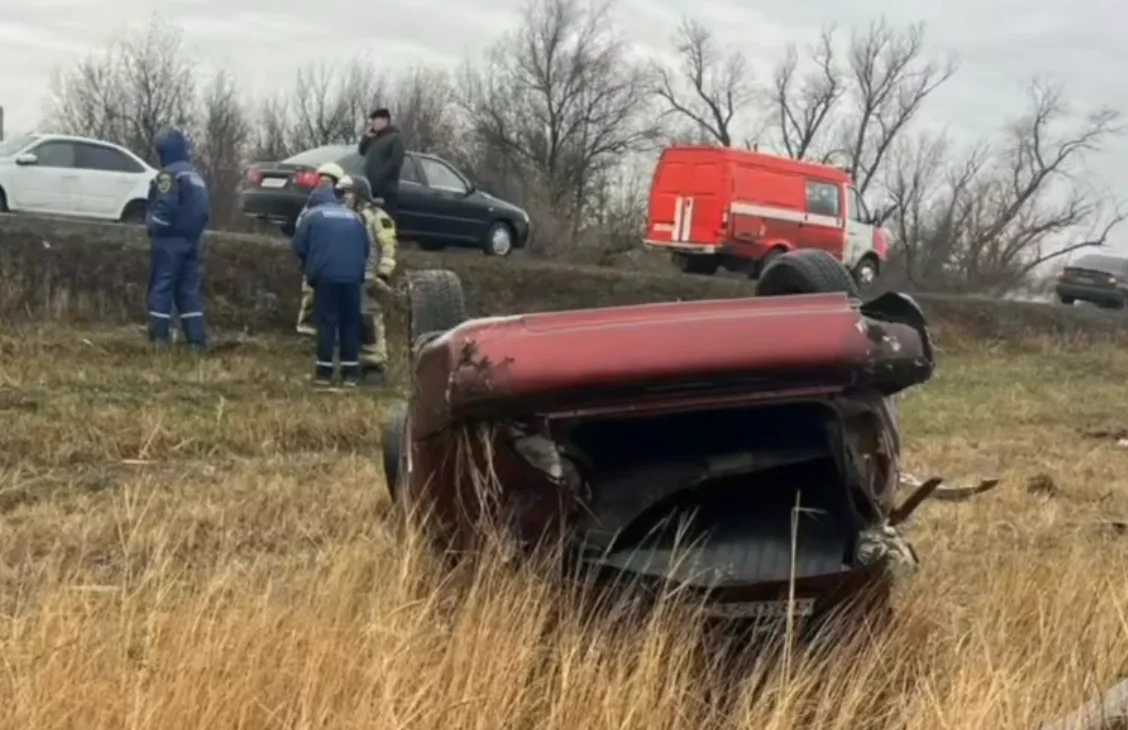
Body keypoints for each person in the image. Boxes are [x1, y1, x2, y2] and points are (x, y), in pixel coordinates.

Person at [290, 184, 370, 387]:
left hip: (325, 277)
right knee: (350, 323)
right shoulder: (354, 216)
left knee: (326, 323)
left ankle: (324, 373)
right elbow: (366, 248)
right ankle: (350, 374)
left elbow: (298, 247)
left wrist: (309, 264)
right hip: (352, 278)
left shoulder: (312, 216)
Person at [146, 127, 210, 350]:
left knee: (161, 287)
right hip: (192, 241)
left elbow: (166, 207)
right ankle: (196, 341)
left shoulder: (168, 175)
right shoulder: (195, 176)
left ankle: (159, 338)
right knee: (188, 290)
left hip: (168, 241)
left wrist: (153, 226)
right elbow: (204, 211)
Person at [336, 174, 397, 384]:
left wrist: (383, 274)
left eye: (348, 192)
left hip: (369, 278)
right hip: (347, 277)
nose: (344, 197)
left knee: (369, 321)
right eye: (342, 193)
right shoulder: (344, 216)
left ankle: (374, 366)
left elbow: (388, 246)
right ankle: (351, 364)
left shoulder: (378, 217)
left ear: (359, 194)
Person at [295, 161, 348, 336]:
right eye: (322, 180)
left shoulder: (342, 206)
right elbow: (300, 228)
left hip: (331, 257)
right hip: (315, 254)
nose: (324, 184)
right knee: (310, 291)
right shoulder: (311, 205)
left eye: (328, 181)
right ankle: (306, 323)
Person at [358, 108, 405, 223]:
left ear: (385, 120)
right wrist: (366, 137)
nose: (372, 123)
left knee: (385, 222)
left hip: (386, 190)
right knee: (369, 221)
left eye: (375, 119)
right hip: (370, 188)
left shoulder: (394, 138)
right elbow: (361, 151)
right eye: (372, 120)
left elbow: (396, 162)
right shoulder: (374, 138)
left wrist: (381, 177)